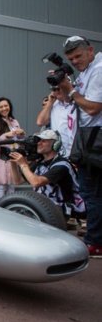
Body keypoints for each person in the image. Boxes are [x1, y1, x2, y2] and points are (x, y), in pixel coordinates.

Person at [57, 36, 102, 257]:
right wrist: (63, 85)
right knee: (91, 190)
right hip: (87, 137)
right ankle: (95, 235)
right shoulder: (86, 72)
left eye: (78, 56)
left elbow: (93, 108)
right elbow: (69, 101)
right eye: (71, 58)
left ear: (90, 50)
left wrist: (72, 90)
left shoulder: (99, 69)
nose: (75, 61)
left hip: (95, 137)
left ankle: (95, 241)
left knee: (91, 191)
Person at [10, 130, 85, 218]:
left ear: (55, 144)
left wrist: (23, 164)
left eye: (44, 140)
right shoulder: (40, 163)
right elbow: (17, 181)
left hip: (63, 210)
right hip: (44, 207)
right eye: (39, 140)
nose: (39, 143)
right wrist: (12, 162)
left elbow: (36, 182)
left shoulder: (62, 165)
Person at [0, 97, 25, 199]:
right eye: (1, 107)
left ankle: (10, 211)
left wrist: (22, 133)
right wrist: (5, 135)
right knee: (2, 186)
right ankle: (0, 211)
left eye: (6, 106)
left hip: (14, 156)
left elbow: (19, 140)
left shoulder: (14, 121)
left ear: (10, 107)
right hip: (3, 158)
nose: (4, 108)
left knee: (12, 185)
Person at [36, 89, 77, 155]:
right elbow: (40, 122)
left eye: (59, 89)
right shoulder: (53, 104)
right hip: (57, 150)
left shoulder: (75, 103)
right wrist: (50, 103)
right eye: (54, 89)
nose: (57, 92)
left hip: (73, 150)